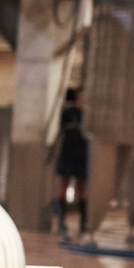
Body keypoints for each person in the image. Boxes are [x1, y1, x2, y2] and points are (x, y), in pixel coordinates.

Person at [54, 86, 89, 238]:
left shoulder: (89, 115)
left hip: (83, 154)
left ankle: (83, 224)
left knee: (82, 189)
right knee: (63, 187)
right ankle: (62, 223)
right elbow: (59, 132)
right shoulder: (68, 113)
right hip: (68, 152)